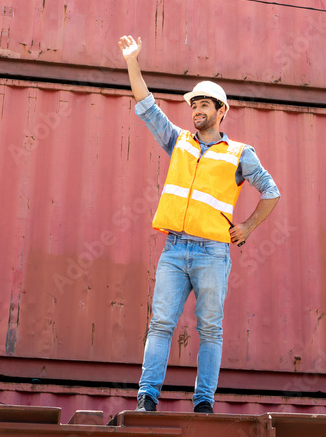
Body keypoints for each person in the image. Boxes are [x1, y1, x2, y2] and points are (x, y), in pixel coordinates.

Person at [118, 34, 281, 414]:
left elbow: (271, 191)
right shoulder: (179, 142)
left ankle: (204, 402)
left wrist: (249, 227)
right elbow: (147, 107)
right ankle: (147, 398)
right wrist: (132, 62)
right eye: (194, 106)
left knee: (209, 330)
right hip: (175, 249)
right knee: (160, 324)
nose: (197, 111)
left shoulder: (239, 153)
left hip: (212, 253)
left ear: (221, 110)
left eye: (204, 105)